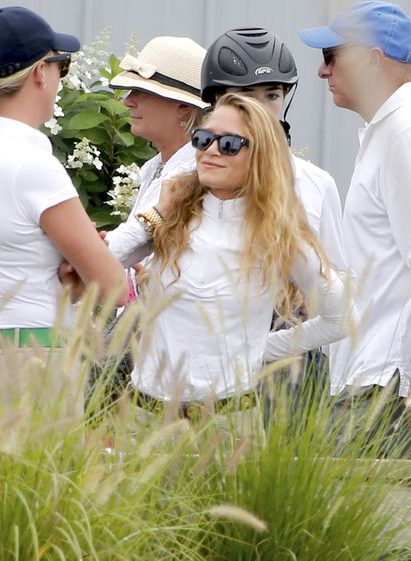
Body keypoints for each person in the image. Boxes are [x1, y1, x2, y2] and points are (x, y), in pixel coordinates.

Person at [0, 7, 127, 440]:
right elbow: (113, 286)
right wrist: (78, 269)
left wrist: (69, 270)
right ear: (41, 72)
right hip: (35, 361)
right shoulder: (32, 166)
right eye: (63, 66)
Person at [123, 93, 351, 430]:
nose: (211, 150)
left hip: (227, 427)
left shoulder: (280, 236)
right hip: (143, 419)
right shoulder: (171, 209)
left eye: (229, 144)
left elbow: (341, 318)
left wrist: (258, 350)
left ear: (260, 157)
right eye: (203, 139)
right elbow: (105, 258)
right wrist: (156, 216)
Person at [200, 28, 349, 402]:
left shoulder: (315, 183)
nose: (264, 109)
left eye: (273, 95)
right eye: (247, 97)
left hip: (290, 358)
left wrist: (271, 346)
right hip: (205, 347)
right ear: (217, 101)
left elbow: (337, 281)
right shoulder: (190, 178)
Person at [300, 0, 411, 454]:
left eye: (331, 56)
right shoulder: (386, 131)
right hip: (371, 376)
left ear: (371, 58)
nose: (323, 72)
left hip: (387, 382)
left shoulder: (404, 132)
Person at [106, 35, 208, 269]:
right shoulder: (158, 166)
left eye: (142, 92)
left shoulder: (194, 173)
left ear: (182, 107)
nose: (128, 101)